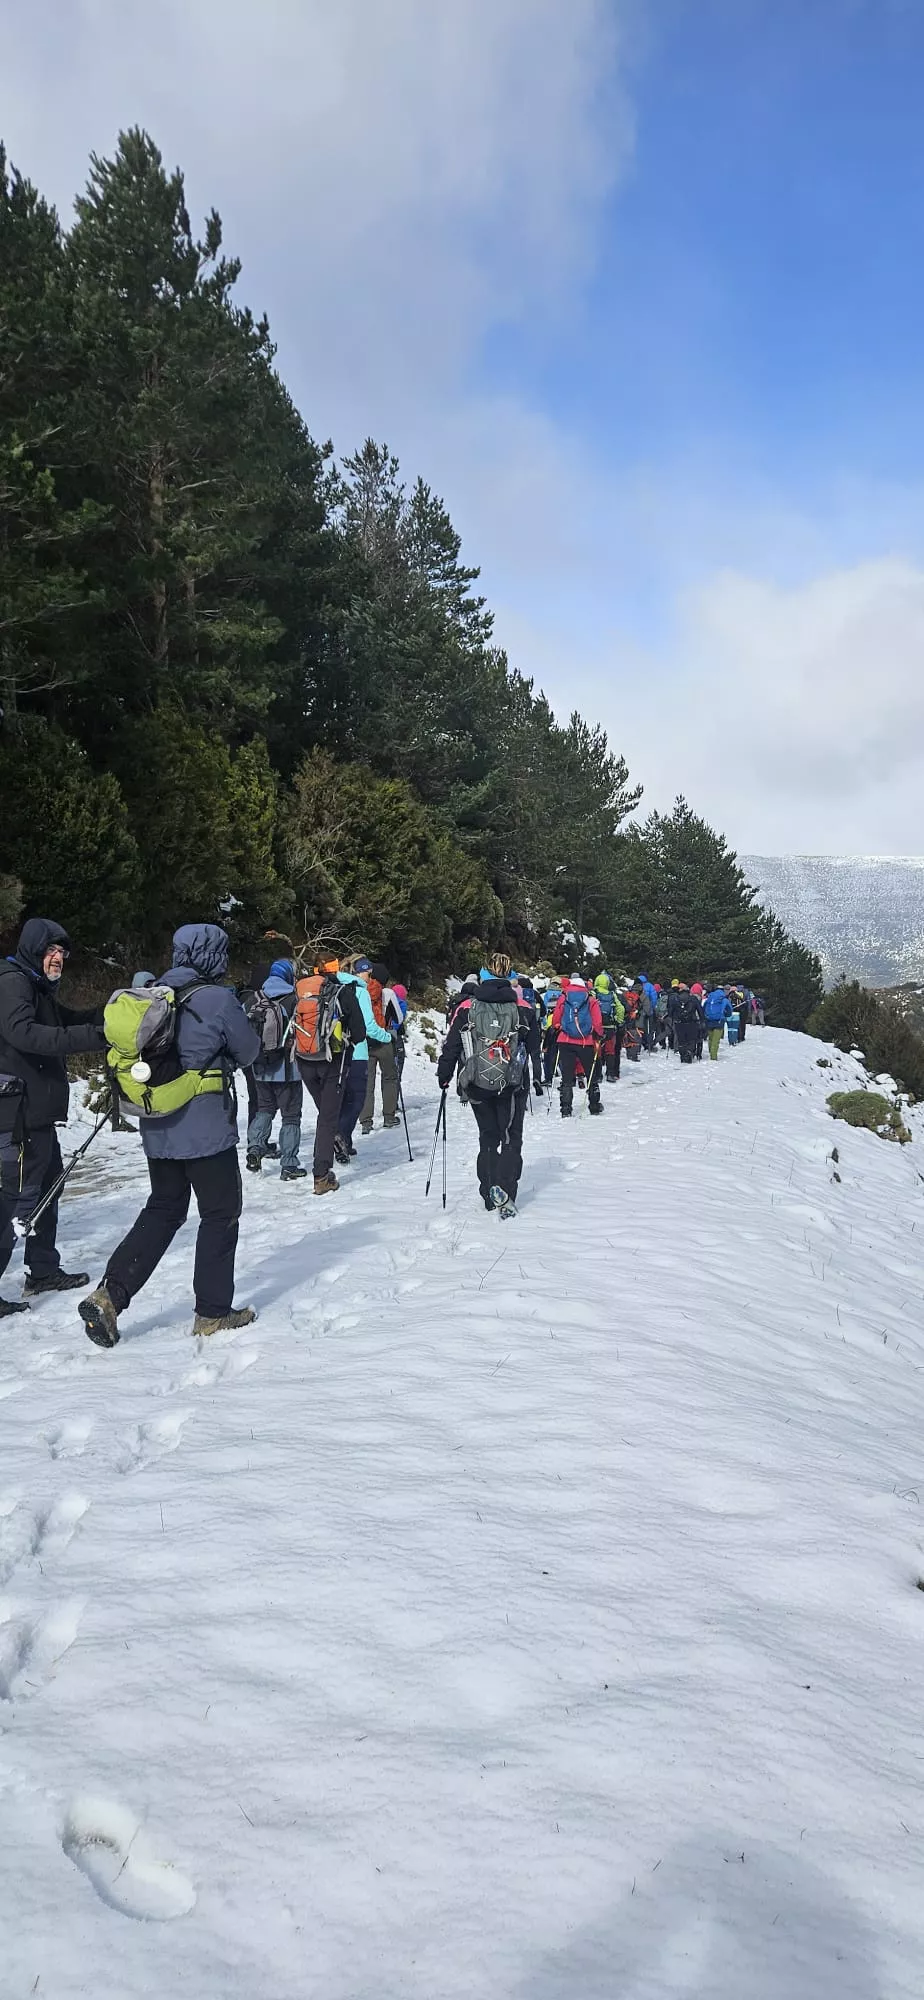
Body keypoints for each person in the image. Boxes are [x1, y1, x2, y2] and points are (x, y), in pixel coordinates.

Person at [78, 923, 260, 1347]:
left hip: (157, 1125)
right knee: (219, 1212)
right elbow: (249, 1051)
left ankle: (110, 1293)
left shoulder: (151, 996)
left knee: (163, 1210)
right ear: (213, 955)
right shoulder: (217, 999)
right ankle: (213, 1312)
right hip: (206, 1130)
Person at [0, 917, 106, 1317]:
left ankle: (42, 1269)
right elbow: (24, 1034)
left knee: (47, 1190)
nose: (58, 958)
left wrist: (110, 1013)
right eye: (51, 950)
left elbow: (64, 1021)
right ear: (33, 948)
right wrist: (95, 1037)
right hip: (16, 1116)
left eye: (62, 952)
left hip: (34, 1114)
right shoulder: (13, 983)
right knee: (15, 1200)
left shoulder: (36, 985)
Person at [436, 952, 532, 1216]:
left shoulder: (468, 1007)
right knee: (512, 1137)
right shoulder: (522, 1007)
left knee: (488, 1136)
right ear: (511, 975)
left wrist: (444, 1076)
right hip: (512, 1083)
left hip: (478, 1082)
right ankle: (506, 1191)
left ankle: (489, 1192)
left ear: (483, 975)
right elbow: (534, 1046)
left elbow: (452, 1045)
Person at [244, 958, 305, 1180]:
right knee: (290, 1117)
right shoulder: (294, 999)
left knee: (264, 1109)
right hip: (288, 1069)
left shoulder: (253, 999)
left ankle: (255, 1148)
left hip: (260, 1067)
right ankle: (289, 1163)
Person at [334, 960, 392, 1165]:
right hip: (356, 1051)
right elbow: (368, 1026)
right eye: (369, 973)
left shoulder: (333, 985)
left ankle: (344, 1142)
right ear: (362, 973)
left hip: (333, 1051)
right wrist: (387, 1037)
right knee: (357, 1099)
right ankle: (340, 1135)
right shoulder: (360, 991)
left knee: (338, 1100)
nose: (370, 977)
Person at [360, 961, 403, 1134]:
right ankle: (389, 1117)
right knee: (389, 1078)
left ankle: (366, 1121)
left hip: (365, 1041)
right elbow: (398, 1018)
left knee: (367, 1082)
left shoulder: (361, 991)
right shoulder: (387, 993)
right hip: (384, 1040)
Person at [552, 977, 604, 1115]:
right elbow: (597, 1022)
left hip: (565, 1040)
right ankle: (594, 1106)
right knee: (590, 1074)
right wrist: (599, 1034)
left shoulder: (564, 997)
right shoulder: (590, 999)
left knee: (567, 1077)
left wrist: (557, 1027)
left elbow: (556, 1017)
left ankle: (566, 1109)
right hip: (585, 1041)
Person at [673, 983, 705, 1065]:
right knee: (691, 1040)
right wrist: (702, 1020)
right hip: (691, 1022)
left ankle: (683, 1055)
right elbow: (700, 1011)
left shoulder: (676, 999)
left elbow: (671, 1011)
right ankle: (689, 1053)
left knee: (681, 1040)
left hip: (679, 1023)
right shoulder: (693, 999)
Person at [703, 984, 734, 1060]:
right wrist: (726, 1015)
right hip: (719, 1020)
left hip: (709, 1019)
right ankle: (713, 1057)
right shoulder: (723, 999)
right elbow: (729, 1010)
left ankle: (711, 1052)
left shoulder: (710, 997)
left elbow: (703, 1007)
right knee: (716, 1039)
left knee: (710, 1038)